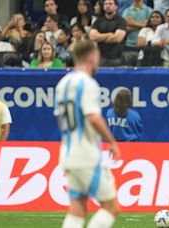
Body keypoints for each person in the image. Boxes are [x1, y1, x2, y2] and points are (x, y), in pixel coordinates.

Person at [54, 39, 121, 228]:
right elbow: (92, 117)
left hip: (67, 153)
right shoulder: (88, 83)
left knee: (78, 207)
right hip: (86, 155)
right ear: (92, 55)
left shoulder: (63, 84)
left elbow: (60, 119)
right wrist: (112, 142)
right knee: (111, 207)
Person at [90, 0, 127, 67]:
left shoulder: (121, 21)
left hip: (117, 58)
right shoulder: (98, 21)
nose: (108, 6)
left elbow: (117, 38)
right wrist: (109, 34)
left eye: (110, 4)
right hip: (101, 57)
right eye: (106, 4)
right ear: (103, 7)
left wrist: (100, 37)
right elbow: (93, 36)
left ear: (116, 6)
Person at [121, 0, 152, 66]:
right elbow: (124, 28)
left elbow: (150, 27)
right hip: (129, 45)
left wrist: (132, 23)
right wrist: (143, 26)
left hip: (145, 46)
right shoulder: (127, 11)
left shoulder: (149, 10)